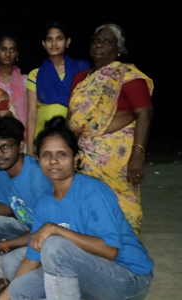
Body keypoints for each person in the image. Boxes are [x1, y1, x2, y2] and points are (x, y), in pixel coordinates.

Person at [0, 116, 153, 300]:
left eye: (62, 154)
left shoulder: (93, 191)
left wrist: (56, 230)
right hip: (89, 269)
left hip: (128, 278)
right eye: (47, 155)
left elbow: (110, 251)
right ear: (39, 161)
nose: (53, 161)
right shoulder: (44, 202)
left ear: (76, 159)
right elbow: (32, 258)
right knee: (17, 278)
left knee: (55, 246)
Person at [68, 24, 154, 235]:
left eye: (107, 42)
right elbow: (72, 117)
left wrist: (138, 155)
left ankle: (127, 254)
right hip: (84, 160)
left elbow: (145, 113)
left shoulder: (128, 75)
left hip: (118, 162)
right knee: (87, 208)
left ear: (119, 50)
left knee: (121, 209)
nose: (99, 45)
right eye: (96, 41)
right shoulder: (80, 79)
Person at [0, 115, 52, 299]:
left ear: (20, 146)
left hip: (49, 237)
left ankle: (36, 290)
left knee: (10, 263)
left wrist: (3, 245)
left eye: (5, 147)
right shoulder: (1, 168)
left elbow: (46, 231)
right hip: (28, 229)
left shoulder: (37, 176)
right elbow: (7, 207)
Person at [26, 22, 90, 154]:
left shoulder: (82, 70)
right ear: (43, 44)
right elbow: (32, 114)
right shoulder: (35, 74)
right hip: (43, 135)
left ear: (68, 42)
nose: (54, 43)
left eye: (59, 38)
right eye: (50, 39)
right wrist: (30, 149)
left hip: (74, 134)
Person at [0, 35, 28, 142]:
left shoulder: (26, 81)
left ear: (17, 54)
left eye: (12, 50)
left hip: (20, 138)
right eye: (3, 49)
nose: (8, 54)